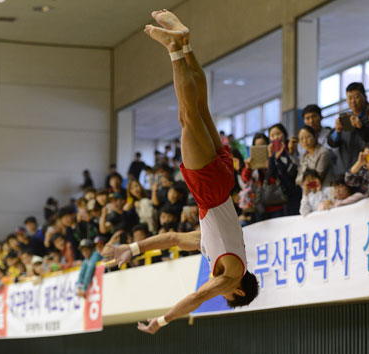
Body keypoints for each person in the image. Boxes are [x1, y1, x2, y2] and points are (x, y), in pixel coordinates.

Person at [105, 10, 258, 334]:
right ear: (240, 290)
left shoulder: (216, 250)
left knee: (200, 109)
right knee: (188, 117)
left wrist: (130, 250)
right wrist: (162, 321)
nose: (221, 290)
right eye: (228, 296)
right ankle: (173, 49)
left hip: (222, 182)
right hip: (211, 191)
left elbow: (173, 238)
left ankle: (185, 44)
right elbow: (198, 297)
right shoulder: (229, 275)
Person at [327, 82, 369, 175]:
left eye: (356, 97)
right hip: (344, 170)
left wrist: (360, 127)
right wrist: (337, 131)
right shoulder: (345, 118)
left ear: (364, 96)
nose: (353, 101)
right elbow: (332, 143)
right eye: (350, 98)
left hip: (365, 170)